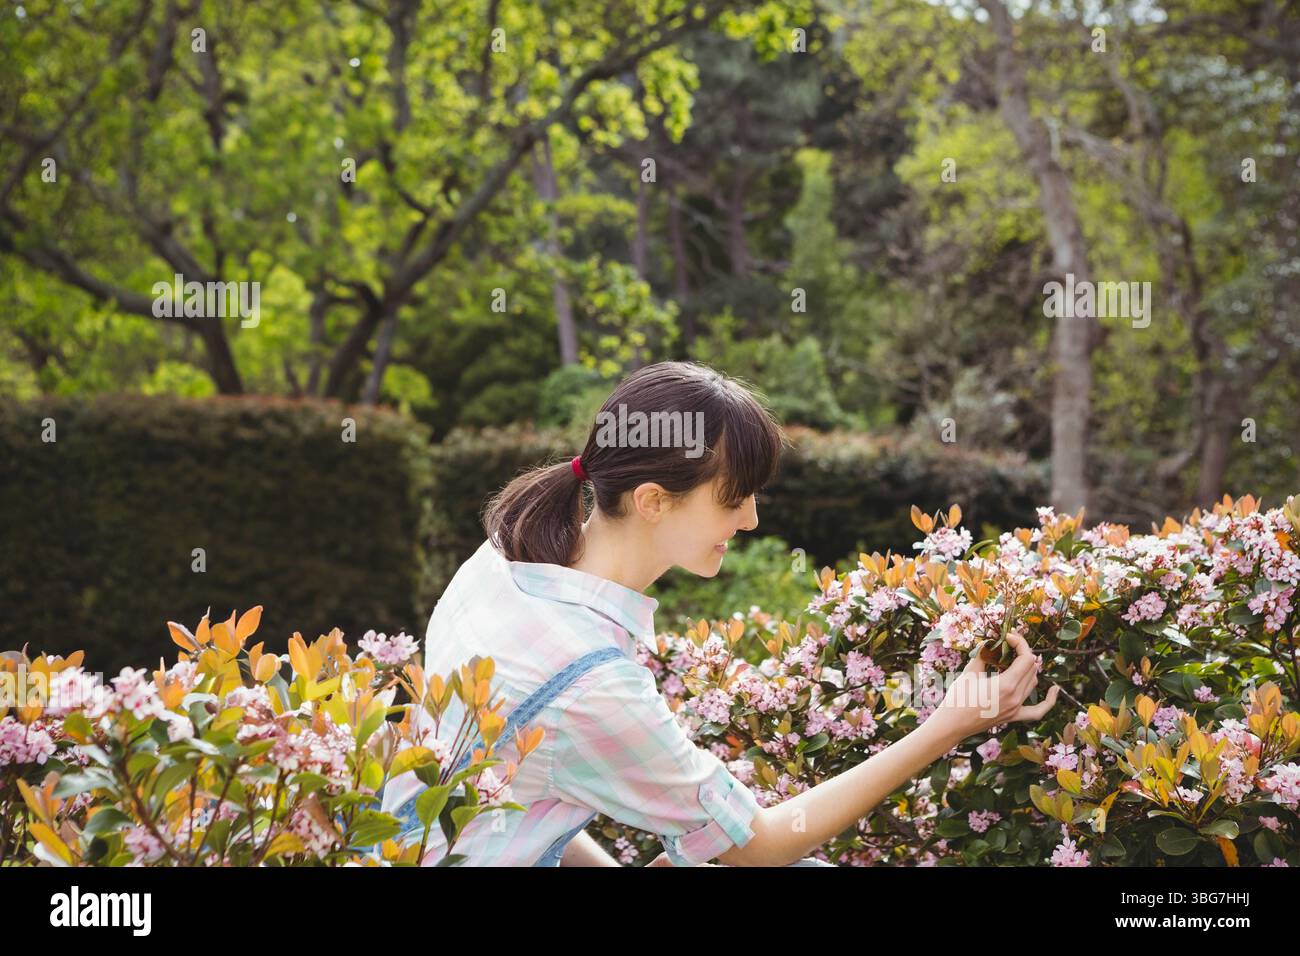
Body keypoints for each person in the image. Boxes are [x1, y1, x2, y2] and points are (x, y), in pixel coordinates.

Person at [378, 361, 1059, 866]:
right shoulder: (587, 677)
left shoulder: (500, 562)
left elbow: (525, 784)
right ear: (652, 500)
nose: (752, 518)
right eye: (733, 498)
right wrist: (952, 723)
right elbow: (756, 847)